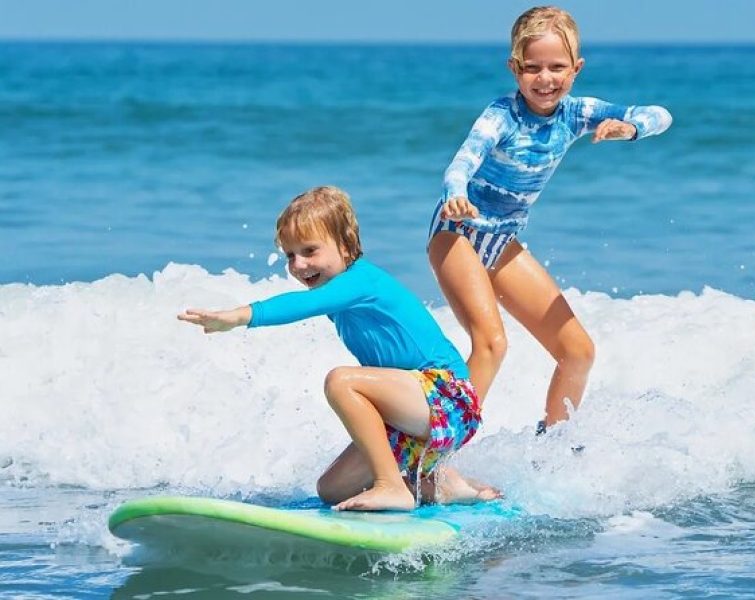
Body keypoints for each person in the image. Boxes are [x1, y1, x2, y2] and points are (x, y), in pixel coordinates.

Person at [427, 6, 672, 432]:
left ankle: (552, 451)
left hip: (501, 243)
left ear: (576, 69)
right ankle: (432, 452)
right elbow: (462, 162)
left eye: (557, 67)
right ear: (514, 68)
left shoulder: (576, 113)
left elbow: (660, 115)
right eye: (533, 68)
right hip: (457, 233)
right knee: (491, 345)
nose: (545, 78)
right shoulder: (501, 115)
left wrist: (629, 129)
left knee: (577, 351)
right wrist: (456, 195)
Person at [178, 186, 498, 511]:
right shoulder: (338, 294)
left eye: (310, 251)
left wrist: (238, 316)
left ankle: (392, 487)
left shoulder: (360, 281)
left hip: (449, 398)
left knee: (342, 381)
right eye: (290, 255)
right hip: (412, 412)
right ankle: (445, 486)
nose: (299, 264)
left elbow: (304, 304)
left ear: (345, 246)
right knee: (332, 488)